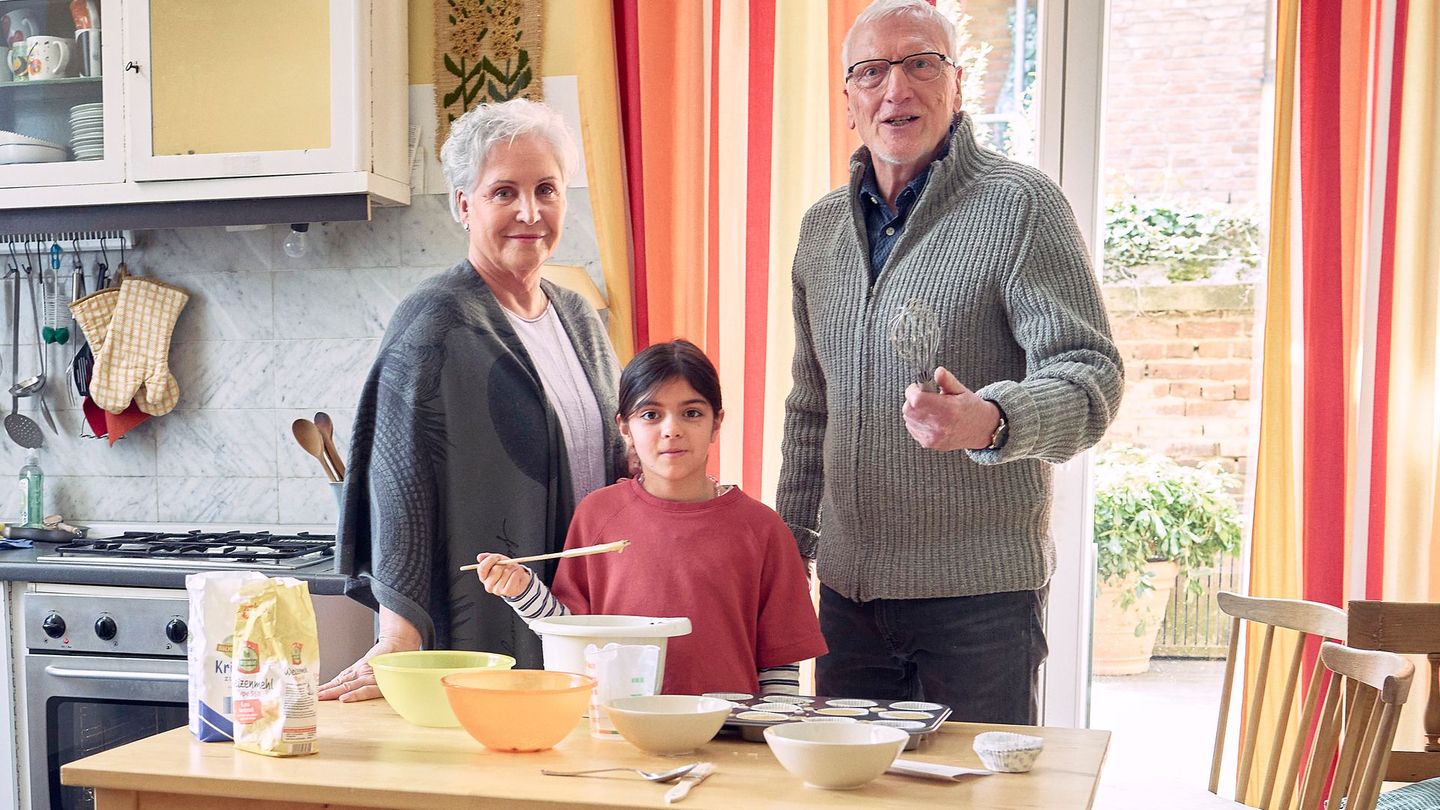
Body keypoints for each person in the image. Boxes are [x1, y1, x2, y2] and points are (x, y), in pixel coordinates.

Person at [777, 0, 1123, 723]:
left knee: (978, 785)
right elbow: (812, 409)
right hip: (848, 605)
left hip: (980, 606)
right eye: (872, 71)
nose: (895, 89)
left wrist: (992, 419)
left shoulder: (1021, 206)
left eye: (921, 64)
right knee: (851, 786)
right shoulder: (820, 232)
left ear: (958, 86)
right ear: (849, 99)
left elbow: (1091, 376)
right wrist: (787, 552)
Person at [320, 99, 624, 702]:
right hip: (489, 614)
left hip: (588, 618)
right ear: (464, 205)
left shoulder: (580, 318)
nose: (530, 212)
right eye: (503, 192)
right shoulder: (435, 320)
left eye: (546, 189)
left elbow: (616, 455)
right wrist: (398, 636)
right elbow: (397, 478)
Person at [473, 340, 827, 696]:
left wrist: (771, 724)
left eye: (692, 413)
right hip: (617, 721)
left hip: (727, 724)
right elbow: (574, 637)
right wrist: (522, 591)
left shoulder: (763, 528)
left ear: (716, 423)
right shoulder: (597, 516)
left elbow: (781, 663)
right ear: (625, 427)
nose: (671, 429)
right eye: (650, 415)